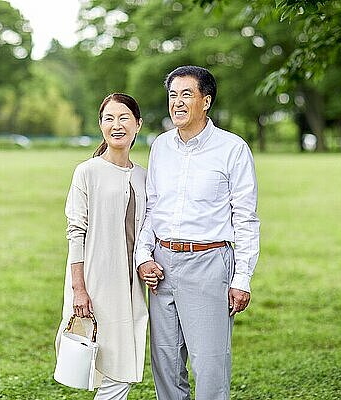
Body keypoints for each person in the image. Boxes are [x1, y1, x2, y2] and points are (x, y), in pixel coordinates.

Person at [136, 66, 260, 400]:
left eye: (186, 94)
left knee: (209, 367)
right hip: (161, 266)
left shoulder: (232, 149)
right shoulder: (160, 146)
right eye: (172, 95)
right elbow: (152, 208)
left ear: (205, 102)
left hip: (209, 264)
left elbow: (246, 219)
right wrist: (144, 256)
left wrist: (241, 279)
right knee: (165, 364)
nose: (176, 102)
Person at [55, 93, 149, 400]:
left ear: (138, 125)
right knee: (108, 365)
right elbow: (75, 233)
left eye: (124, 118)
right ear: (100, 125)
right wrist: (78, 290)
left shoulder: (144, 176)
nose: (116, 125)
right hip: (95, 284)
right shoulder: (87, 172)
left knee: (124, 362)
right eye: (109, 118)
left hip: (131, 285)